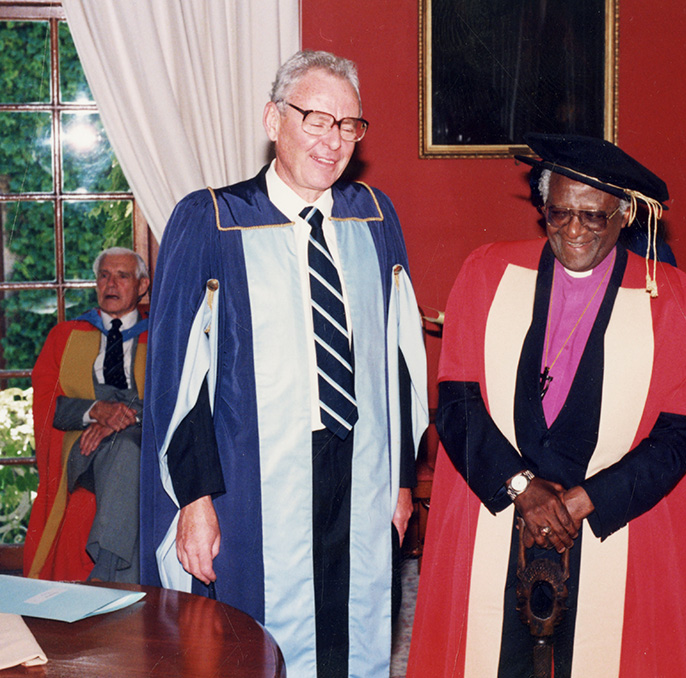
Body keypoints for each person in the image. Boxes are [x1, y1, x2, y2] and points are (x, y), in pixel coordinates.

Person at [139, 50, 428, 678]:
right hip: (249, 477)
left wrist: (402, 477)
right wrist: (193, 500)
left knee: (356, 636)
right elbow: (179, 381)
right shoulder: (212, 220)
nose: (333, 142)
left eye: (348, 125)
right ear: (274, 120)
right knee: (250, 642)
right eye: (315, 120)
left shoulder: (374, 220)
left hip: (358, 465)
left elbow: (402, 360)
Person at [409, 133, 686, 677]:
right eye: (559, 214)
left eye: (593, 217)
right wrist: (522, 489)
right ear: (543, 207)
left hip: (613, 519)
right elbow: (458, 402)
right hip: (505, 508)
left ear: (624, 214)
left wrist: (582, 502)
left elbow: (681, 434)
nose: (574, 231)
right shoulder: (488, 274)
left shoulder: (676, 297)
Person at [25, 247, 150, 583]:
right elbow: (48, 403)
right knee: (126, 452)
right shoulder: (65, 336)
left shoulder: (161, 337)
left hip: (139, 440)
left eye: (122, 276)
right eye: (104, 275)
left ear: (142, 286)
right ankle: (114, 579)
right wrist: (95, 411)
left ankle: (105, 573)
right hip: (82, 446)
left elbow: (173, 396)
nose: (111, 283)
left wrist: (124, 419)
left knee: (126, 448)